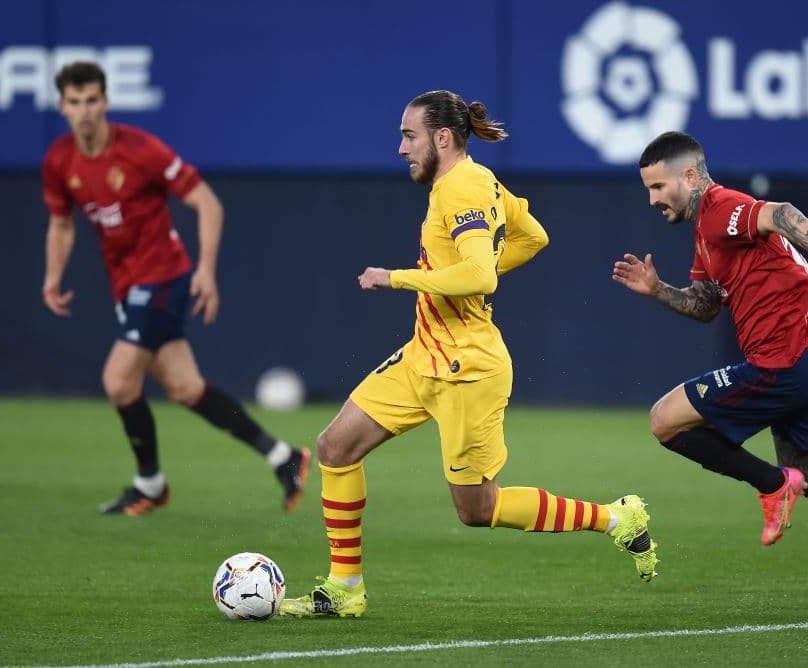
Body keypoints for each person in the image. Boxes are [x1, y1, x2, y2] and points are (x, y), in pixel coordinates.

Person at [278, 90, 657, 618]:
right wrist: (465, 277)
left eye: (409, 136)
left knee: (477, 510)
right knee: (335, 447)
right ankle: (346, 589)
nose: (401, 148)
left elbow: (480, 274)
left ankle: (618, 519)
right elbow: (534, 236)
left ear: (441, 138)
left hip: (468, 370)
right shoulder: (476, 183)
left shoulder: (462, 187)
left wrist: (399, 278)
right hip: (423, 356)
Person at [612, 131, 808, 603]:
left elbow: (780, 213)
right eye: (648, 189)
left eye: (658, 187)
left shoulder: (719, 208)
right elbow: (707, 306)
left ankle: (773, 485)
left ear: (689, 176)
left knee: (663, 421)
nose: (652, 199)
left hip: (785, 362)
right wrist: (659, 291)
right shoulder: (705, 234)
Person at [41, 61, 310, 516]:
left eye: (91, 100)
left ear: (105, 102)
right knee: (186, 389)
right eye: (74, 102)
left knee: (118, 380)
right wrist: (53, 276)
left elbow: (207, 202)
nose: (84, 111)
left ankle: (150, 483)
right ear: (62, 106)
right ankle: (284, 457)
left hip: (164, 276)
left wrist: (205, 270)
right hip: (126, 287)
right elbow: (62, 225)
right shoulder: (59, 160)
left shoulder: (140, 150)